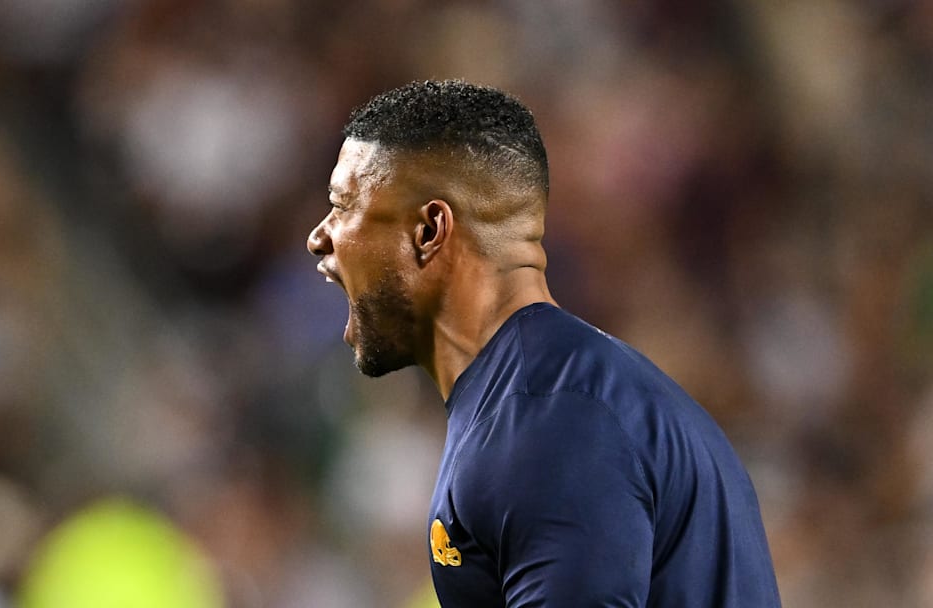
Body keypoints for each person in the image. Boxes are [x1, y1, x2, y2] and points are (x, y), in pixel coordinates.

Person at [306, 80, 780, 607]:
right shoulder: (551, 397)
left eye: (344, 206)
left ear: (429, 230)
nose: (319, 237)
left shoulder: (550, 426)